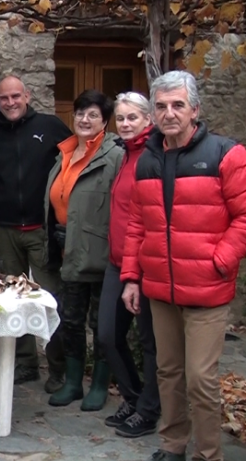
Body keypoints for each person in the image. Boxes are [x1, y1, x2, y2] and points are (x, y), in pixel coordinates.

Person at [121, 71, 246, 461]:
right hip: (160, 288)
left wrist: (220, 261)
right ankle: (173, 444)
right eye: (162, 106)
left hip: (206, 288)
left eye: (178, 105)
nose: (169, 113)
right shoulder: (148, 160)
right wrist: (131, 277)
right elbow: (137, 223)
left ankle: (208, 454)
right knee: (168, 372)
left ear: (194, 110)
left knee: (200, 378)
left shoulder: (226, 154)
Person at [0, 75, 72, 393]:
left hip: (41, 228)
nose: (10, 103)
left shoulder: (51, 126)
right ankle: (25, 363)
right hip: (6, 228)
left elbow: (76, 161)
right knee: (14, 298)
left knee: (50, 299)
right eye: (4, 98)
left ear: (27, 96)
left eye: (15, 96)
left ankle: (59, 368)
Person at [44, 89, 124, 411]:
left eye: (93, 115)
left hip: (102, 253)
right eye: (80, 113)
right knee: (71, 320)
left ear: (105, 122)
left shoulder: (114, 156)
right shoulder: (64, 153)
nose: (85, 119)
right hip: (69, 250)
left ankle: (100, 385)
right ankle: (73, 382)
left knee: (101, 325)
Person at [97, 92, 160, 438]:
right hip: (117, 261)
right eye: (120, 118)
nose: (125, 124)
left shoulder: (154, 155)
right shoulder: (125, 154)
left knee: (150, 342)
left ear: (148, 119)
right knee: (107, 335)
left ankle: (149, 410)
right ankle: (134, 397)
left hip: (146, 264)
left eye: (132, 117)